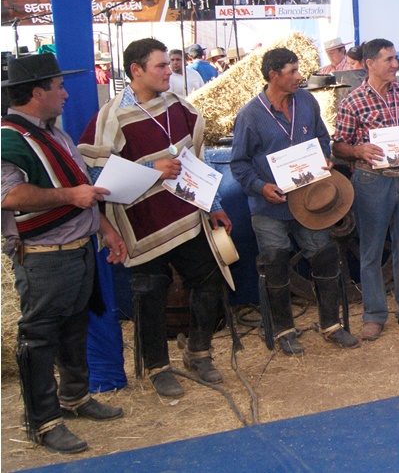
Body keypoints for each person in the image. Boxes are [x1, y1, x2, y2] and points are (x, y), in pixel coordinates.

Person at [79, 38, 233, 398]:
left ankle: (198, 352)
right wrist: (152, 169)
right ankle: (157, 367)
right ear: (136, 70)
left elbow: (197, 160)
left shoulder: (178, 107)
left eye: (168, 64)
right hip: (140, 222)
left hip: (185, 214)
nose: (169, 71)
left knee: (209, 278)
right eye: (161, 66)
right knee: (149, 291)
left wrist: (214, 204)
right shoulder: (113, 116)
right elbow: (95, 175)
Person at [1, 53, 126, 455]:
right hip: (44, 255)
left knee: (74, 327)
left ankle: (74, 396)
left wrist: (105, 229)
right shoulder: (8, 138)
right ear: (37, 93)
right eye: (59, 87)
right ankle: (43, 422)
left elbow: (81, 187)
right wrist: (70, 197)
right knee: (39, 338)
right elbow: (9, 196)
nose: (66, 94)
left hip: (76, 249)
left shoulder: (55, 134)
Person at [231, 48, 359, 355]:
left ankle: (331, 325)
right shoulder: (250, 115)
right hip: (270, 206)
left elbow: (322, 137)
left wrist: (324, 158)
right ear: (273, 76)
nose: (299, 77)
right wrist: (261, 187)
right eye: (292, 72)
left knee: (325, 255)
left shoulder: (306, 101)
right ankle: (284, 331)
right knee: (275, 264)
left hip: (310, 200)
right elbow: (239, 164)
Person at [333, 38, 399, 340]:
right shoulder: (352, 101)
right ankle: (374, 315)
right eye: (389, 59)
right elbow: (338, 146)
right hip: (371, 182)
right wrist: (357, 151)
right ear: (370, 64)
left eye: (396, 59)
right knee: (371, 251)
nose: (396, 64)